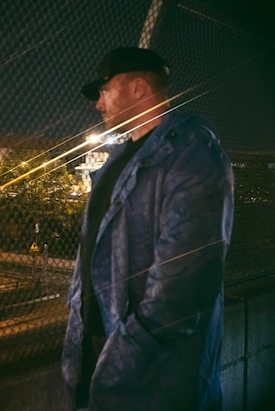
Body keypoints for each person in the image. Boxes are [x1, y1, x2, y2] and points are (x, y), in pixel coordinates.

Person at [61, 47, 234, 411]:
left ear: (138, 88)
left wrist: (123, 355)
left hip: (152, 367)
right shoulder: (118, 161)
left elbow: (183, 282)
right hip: (101, 347)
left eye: (104, 90)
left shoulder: (192, 153)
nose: (98, 103)